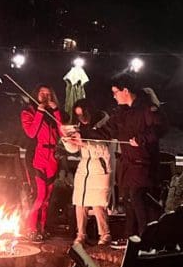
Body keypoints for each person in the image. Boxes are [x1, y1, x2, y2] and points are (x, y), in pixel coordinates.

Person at [103, 73, 162, 241]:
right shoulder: (122, 113)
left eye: (116, 92)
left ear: (126, 90)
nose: (114, 96)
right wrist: (80, 135)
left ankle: (145, 238)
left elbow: (160, 128)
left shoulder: (146, 108)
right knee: (128, 200)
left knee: (138, 200)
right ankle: (129, 237)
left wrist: (141, 139)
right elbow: (107, 130)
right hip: (127, 165)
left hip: (142, 164)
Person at [62, 100, 112, 246]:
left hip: (99, 167)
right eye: (78, 115)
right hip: (84, 167)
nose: (82, 118)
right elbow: (73, 149)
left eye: (84, 114)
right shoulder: (80, 128)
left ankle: (105, 234)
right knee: (80, 202)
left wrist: (84, 142)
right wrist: (68, 140)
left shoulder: (104, 125)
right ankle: (81, 234)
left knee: (98, 203)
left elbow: (105, 149)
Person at [20, 84, 64, 241]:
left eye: (48, 93)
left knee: (47, 197)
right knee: (39, 195)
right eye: (42, 93)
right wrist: (40, 110)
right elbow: (31, 133)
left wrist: (56, 111)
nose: (45, 96)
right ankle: (30, 228)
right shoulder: (28, 112)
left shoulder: (54, 113)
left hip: (52, 156)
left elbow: (62, 133)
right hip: (36, 156)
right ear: (36, 95)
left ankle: (42, 228)